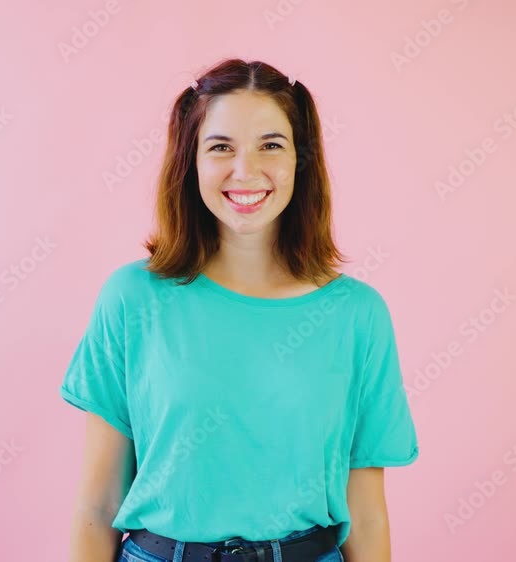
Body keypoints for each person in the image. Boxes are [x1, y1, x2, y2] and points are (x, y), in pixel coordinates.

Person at [60, 58, 419, 562]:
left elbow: (368, 514)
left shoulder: (358, 315)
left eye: (271, 145)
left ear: (301, 160)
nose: (245, 171)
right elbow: (97, 505)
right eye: (221, 147)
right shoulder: (132, 298)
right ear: (191, 162)